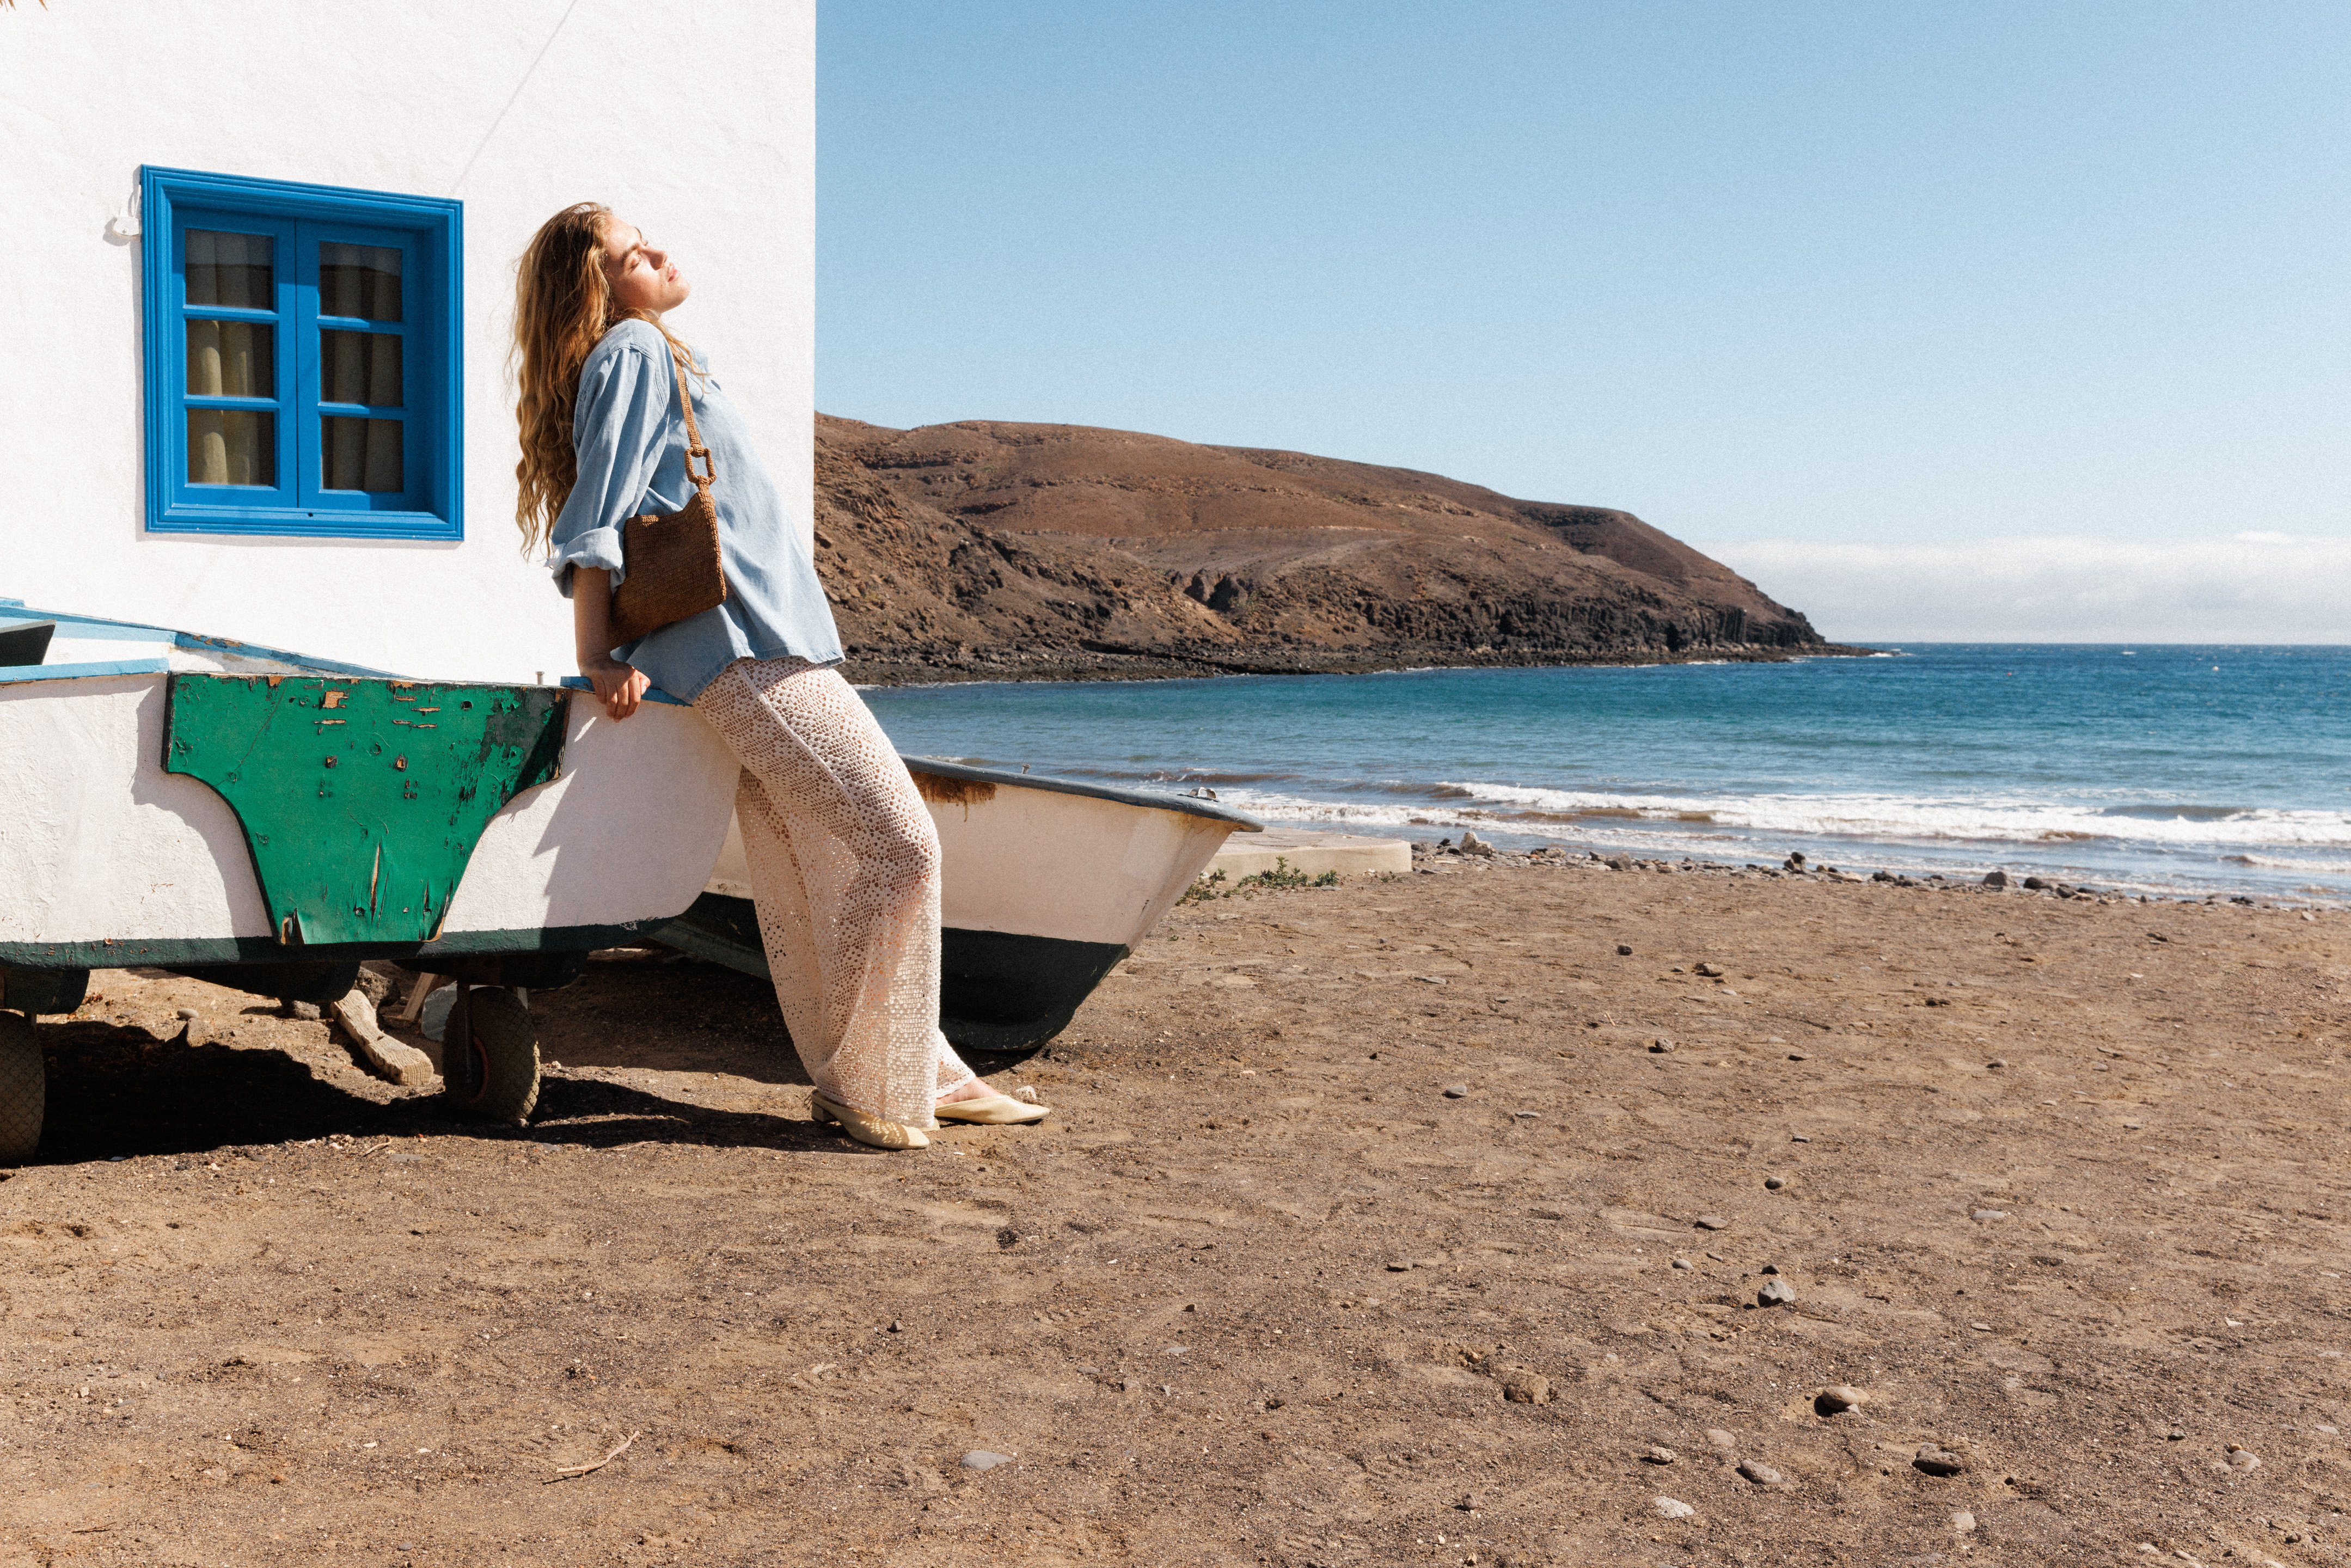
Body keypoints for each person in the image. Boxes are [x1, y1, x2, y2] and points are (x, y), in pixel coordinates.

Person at [510, 202, 1046, 1150]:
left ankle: (916, 1072)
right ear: (601, 289)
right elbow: (596, 515)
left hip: (751, 642)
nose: (661, 252)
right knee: (901, 845)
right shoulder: (634, 351)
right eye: (635, 254)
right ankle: (879, 1083)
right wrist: (594, 656)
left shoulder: (659, 353)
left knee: (814, 870)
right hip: (739, 647)